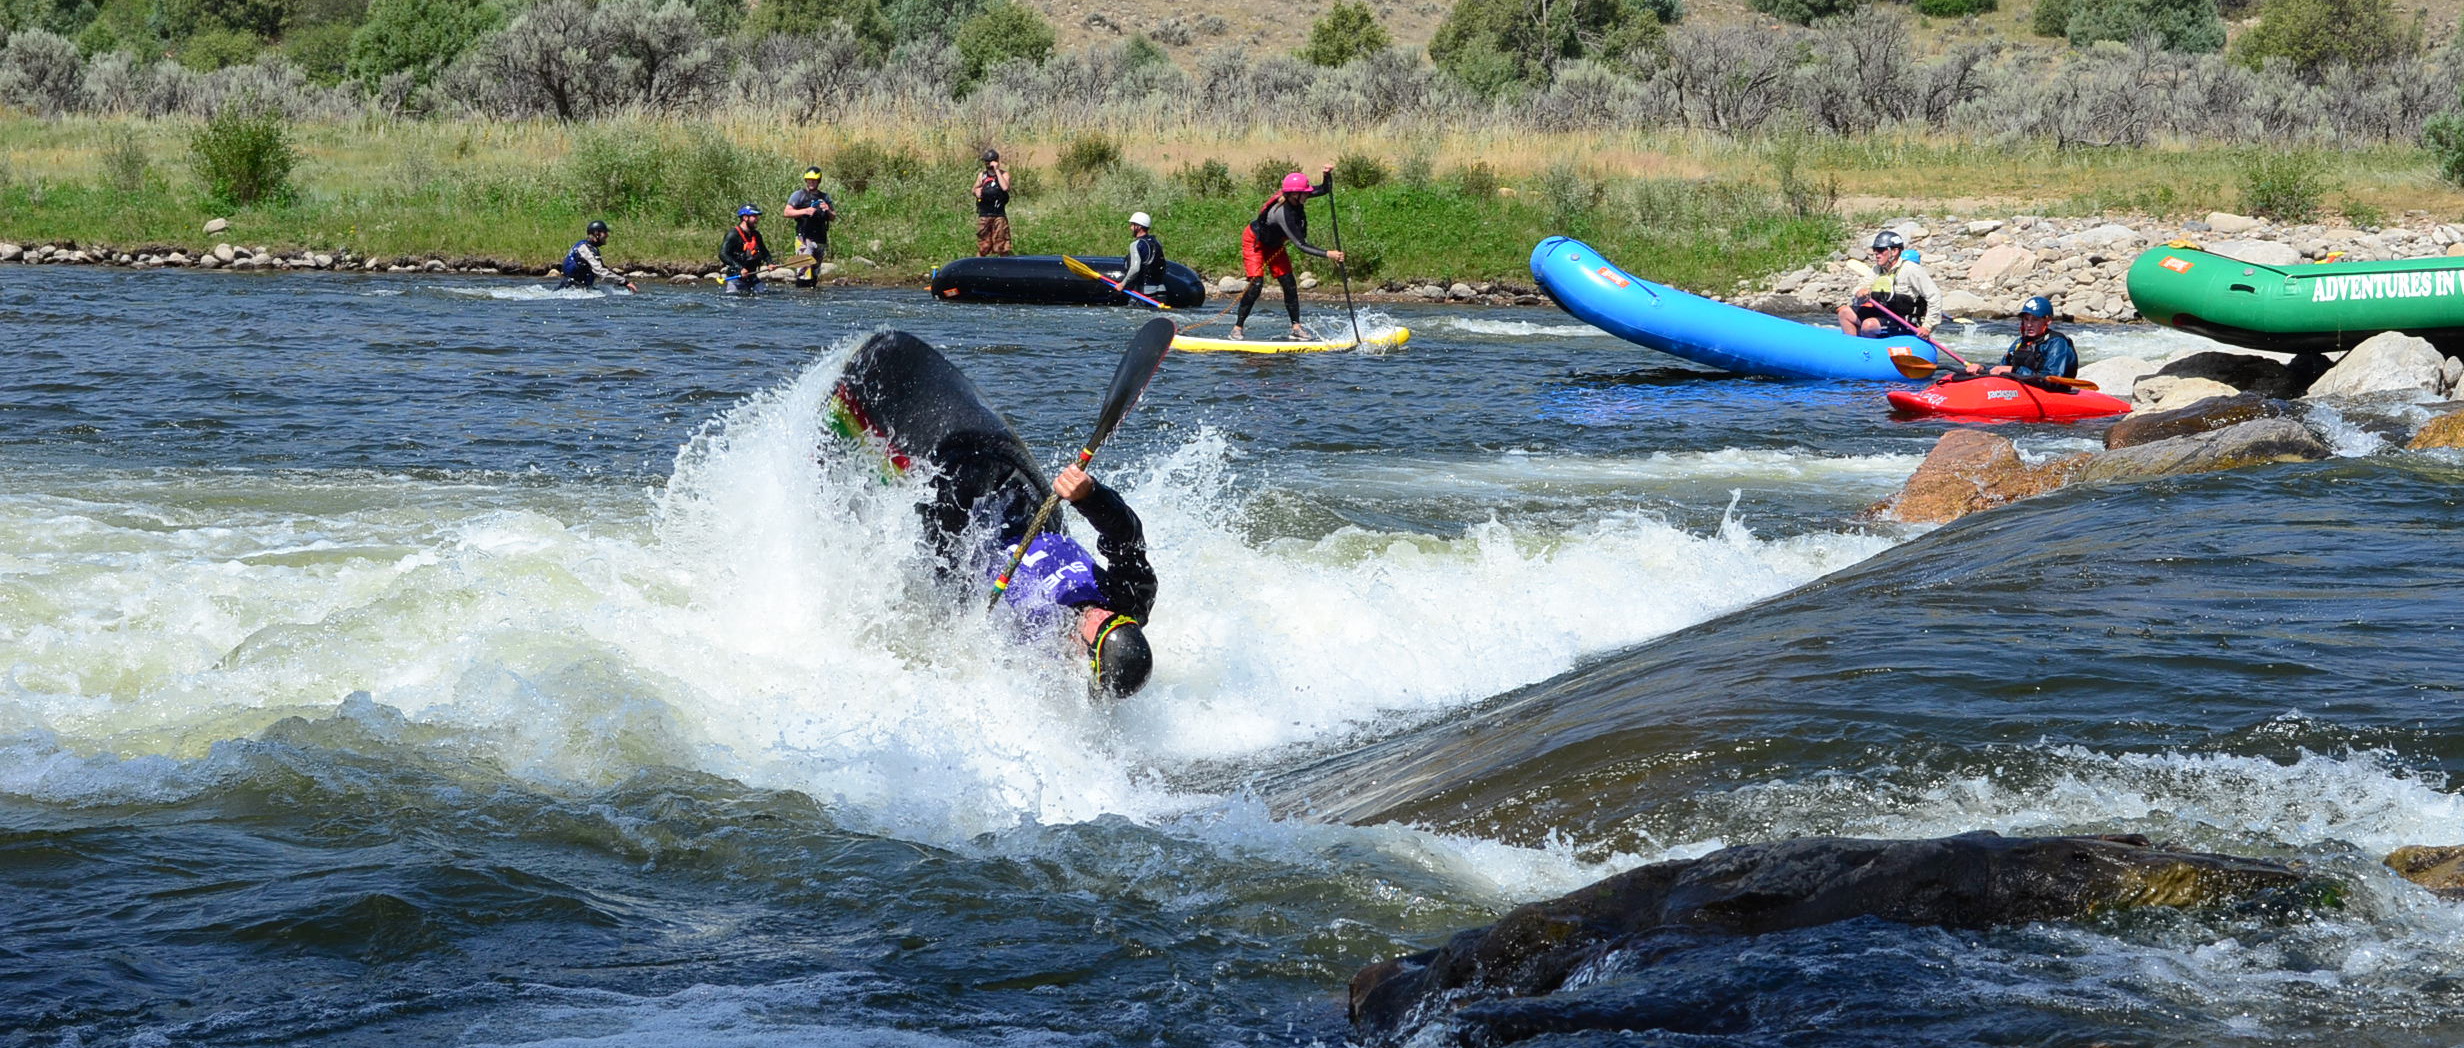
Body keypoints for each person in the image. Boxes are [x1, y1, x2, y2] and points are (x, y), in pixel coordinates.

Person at [991, 463, 1156, 698]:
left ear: (1084, 656)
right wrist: (1091, 496)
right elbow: (1127, 538)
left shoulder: (1040, 664)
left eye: (1102, 629)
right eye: (1117, 621)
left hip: (968, 546)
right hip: (1033, 520)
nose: (1104, 616)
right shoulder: (1128, 601)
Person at [1232, 165, 1345, 341]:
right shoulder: (1282, 212)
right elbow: (1300, 244)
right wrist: (1328, 254)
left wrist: (1326, 175)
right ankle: (1237, 329)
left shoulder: (1297, 195)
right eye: (1305, 193)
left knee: (1289, 283)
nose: (1308, 195)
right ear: (1294, 194)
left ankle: (1296, 328)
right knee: (1256, 284)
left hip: (1275, 244)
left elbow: (1324, 189)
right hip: (1256, 241)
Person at [1836, 229, 1939, 339]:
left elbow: (1934, 296)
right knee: (1844, 312)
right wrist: (1859, 292)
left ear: (1894, 252)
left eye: (1881, 250)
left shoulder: (1911, 269)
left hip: (1904, 320)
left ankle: (1870, 352)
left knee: (1868, 325)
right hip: (1883, 314)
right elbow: (1861, 286)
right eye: (1875, 250)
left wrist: (1927, 327)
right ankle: (1854, 347)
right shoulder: (1877, 269)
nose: (1876, 254)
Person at [1964, 296, 2078, 384]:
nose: (2029, 325)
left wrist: (2014, 371)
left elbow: (2051, 380)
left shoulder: (2057, 342)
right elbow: (2001, 368)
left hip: (2051, 392)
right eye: (2026, 319)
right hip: (2023, 389)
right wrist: (1982, 368)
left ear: (2047, 321)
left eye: (2035, 320)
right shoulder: (2020, 342)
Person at [784, 166, 835, 288]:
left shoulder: (825, 197)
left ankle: (813, 299)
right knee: (804, 273)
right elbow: (787, 212)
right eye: (809, 180)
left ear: (819, 181)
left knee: (814, 273)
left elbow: (833, 217)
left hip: (820, 239)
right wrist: (804, 211)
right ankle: (802, 298)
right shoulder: (799, 195)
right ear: (806, 180)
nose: (811, 182)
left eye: (814, 180)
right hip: (804, 239)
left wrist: (828, 210)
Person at [556, 220, 635, 293]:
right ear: (596, 233)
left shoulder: (588, 247)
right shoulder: (585, 249)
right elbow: (600, 271)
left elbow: (602, 269)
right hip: (572, 290)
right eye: (605, 232)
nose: (607, 235)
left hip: (577, 289)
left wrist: (618, 278)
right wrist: (625, 282)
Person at [719, 204, 774, 293]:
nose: (757, 219)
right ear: (745, 217)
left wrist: (769, 263)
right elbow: (723, 254)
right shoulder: (733, 235)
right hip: (736, 276)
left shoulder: (756, 235)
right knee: (734, 299)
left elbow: (764, 251)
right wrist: (740, 268)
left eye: (757, 216)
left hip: (752, 276)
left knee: (765, 294)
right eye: (754, 216)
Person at [1115, 211, 1165, 304]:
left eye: (1132, 225)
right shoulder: (1157, 242)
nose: (1130, 228)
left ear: (1138, 226)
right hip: (1161, 290)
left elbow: (1135, 269)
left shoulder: (1136, 244)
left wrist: (1122, 284)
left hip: (1144, 292)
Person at [973, 149, 1013, 257]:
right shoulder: (982, 175)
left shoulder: (1004, 174)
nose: (988, 164)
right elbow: (974, 188)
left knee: (1002, 245)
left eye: (990, 161)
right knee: (984, 246)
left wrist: (997, 171)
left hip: (999, 215)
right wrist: (977, 191)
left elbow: (1005, 187)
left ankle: (1005, 267)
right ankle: (978, 267)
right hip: (984, 214)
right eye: (986, 162)